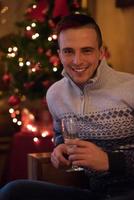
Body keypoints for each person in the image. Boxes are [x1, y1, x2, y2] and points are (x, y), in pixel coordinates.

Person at [0, 13, 134, 200]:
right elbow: (60, 135)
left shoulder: (130, 87)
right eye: (69, 51)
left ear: (101, 52)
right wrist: (60, 148)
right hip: (95, 194)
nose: (77, 61)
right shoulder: (55, 94)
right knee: (12, 192)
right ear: (59, 54)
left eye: (86, 51)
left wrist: (110, 161)